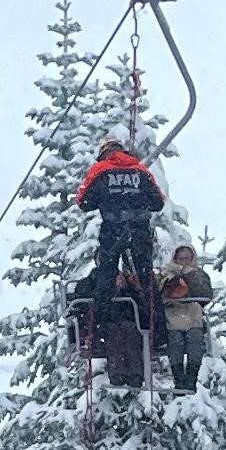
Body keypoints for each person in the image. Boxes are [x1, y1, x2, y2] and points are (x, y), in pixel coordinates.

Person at [69, 141, 167, 387]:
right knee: (145, 278)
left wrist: (109, 200)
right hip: (139, 230)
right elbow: (158, 201)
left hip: (113, 228)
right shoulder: (141, 171)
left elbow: (83, 201)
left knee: (106, 278)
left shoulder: (101, 170)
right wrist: (135, 200)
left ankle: (99, 332)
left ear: (104, 153)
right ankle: (160, 331)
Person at [155, 235, 212, 394]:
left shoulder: (199, 274)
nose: (184, 262)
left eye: (187, 258)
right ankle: (179, 379)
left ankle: (191, 378)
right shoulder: (167, 273)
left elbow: (205, 294)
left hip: (193, 315)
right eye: (181, 258)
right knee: (175, 341)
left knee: (195, 340)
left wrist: (190, 276)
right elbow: (160, 292)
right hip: (173, 316)